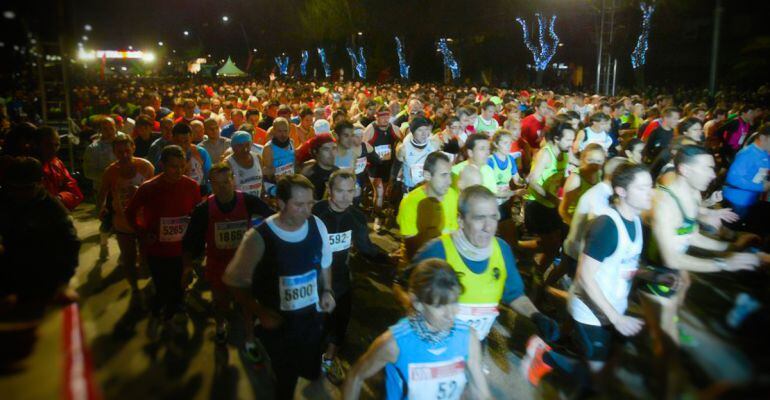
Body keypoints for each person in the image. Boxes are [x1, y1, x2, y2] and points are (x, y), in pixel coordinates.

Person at [224, 174, 335, 399]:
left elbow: (325, 262)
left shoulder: (317, 225)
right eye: (299, 205)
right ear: (281, 203)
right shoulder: (258, 238)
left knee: (312, 365)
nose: (307, 210)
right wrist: (260, 312)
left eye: (310, 203)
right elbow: (233, 282)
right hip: (280, 326)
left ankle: (311, 373)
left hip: (312, 319)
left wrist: (327, 290)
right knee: (286, 377)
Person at [406, 186, 559, 343]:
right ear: (461, 220)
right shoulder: (437, 251)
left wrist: (536, 315)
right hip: (432, 346)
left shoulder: (502, 250)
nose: (488, 227)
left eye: (493, 217)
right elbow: (403, 287)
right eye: (479, 218)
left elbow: (514, 295)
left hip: (475, 347)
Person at [642, 145, 760, 347]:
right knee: (664, 339)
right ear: (685, 170)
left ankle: (672, 329)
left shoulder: (694, 194)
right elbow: (671, 258)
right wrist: (723, 263)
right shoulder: (665, 204)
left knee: (680, 295)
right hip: (655, 270)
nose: (713, 174)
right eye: (707, 168)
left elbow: (692, 235)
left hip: (677, 267)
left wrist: (728, 248)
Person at [344, 258, 491, 400]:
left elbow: (481, 391)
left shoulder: (468, 337)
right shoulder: (394, 344)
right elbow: (355, 376)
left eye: (454, 302)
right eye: (440, 306)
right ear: (418, 303)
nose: (451, 314)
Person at [567, 163, 652, 372]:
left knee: (605, 370)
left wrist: (652, 276)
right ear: (621, 191)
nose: (650, 193)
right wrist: (616, 318)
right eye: (642, 188)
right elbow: (585, 277)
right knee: (596, 375)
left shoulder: (636, 219)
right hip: (591, 312)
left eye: (650, 186)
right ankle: (545, 358)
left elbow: (621, 263)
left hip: (615, 307)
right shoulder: (607, 226)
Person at [182, 162, 273, 344]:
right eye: (216, 183)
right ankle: (221, 325)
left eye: (226, 182)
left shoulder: (247, 201)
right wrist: (187, 267)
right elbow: (189, 241)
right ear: (211, 184)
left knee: (247, 303)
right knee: (220, 302)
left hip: (244, 263)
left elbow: (272, 217)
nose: (222, 187)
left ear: (233, 180)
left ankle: (249, 337)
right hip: (218, 264)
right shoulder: (203, 209)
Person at [312, 170, 386, 384]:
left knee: (339, 322)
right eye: (340, 191)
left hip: (341, 279)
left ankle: (329, 359)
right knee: (316, 324)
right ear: (330, 190)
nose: (345, 196)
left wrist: (387, 258)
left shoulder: (356, 216)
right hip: (313, 280)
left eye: (350, 191)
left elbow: (366, 247)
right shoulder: (315, 213)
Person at [124, 145, 201, 325]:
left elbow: (198, 214)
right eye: (173, 166)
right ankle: (161, 306)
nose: (179, 170)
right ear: (162, 165)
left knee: (180, 282)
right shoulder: (148, 187)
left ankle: (175, 307)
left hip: (182, 249)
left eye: (182, 166)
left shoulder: (191, 186)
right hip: (158, 250)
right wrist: (142, 233)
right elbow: (130, 212)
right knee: (161, 283)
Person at [0, 157, 81, 318]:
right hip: (10, 272)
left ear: (40, 183)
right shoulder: (5, 200)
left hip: (47, 273)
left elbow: (70, 244)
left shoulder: (53, 208)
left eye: (27, 188)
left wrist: (63, 283)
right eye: (15, 188)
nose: (21, 194)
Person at [97, 133, 154, 294]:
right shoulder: (111, 172)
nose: (124, 155)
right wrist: (100, 208)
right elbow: (102, 194)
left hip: (145, 221)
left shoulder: (146, 166)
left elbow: (157, 191)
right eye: (119, 152)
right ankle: (135, 290)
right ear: (114, 152)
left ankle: (150, 288)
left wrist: (139, 192)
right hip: (123, 222)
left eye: (127, 151)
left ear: (133, 148)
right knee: (128, 259)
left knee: (147, 258)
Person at [524, 121, 575, 281]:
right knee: (552, 246)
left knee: (555, 242)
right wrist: (552, 197)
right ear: (557, 139)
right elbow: (532, 180)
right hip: (536, 204)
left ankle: (526, 257)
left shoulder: (565, 153)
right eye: (568, 140)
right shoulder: (546, 154)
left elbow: (561, 177)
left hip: (551, 204)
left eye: (572, 140)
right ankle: (536, 273)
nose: (571, 144)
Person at [397, 151, 459, 239]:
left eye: (449, 175)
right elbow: (413, 246)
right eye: (443, 175)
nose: (449, 181)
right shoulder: (409, 203)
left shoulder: (453, 195)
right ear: (427, 175)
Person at [363, 106, 402, 229]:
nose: (385, 119)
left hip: (388, 166)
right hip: (374, 166)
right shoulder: (370, 129)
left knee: (385, 192)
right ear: (377, 117)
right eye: (382, 117)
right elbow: (362, 146)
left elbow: (405, 142)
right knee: (379, 191)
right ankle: (377, 217)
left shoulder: (394, 129)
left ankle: (383, 212)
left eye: (387, 117)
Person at [722, 124, 770, 225]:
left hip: (749, 198)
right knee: (732, 228)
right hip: (737, 200)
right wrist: (762, 187)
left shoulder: (764, 152)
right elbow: (733, 179)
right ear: (762, 138)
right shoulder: (748, 153)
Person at [32, 126, 83, 211]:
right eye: (48, 145)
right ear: (36, 145)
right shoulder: (28, 167)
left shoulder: (57, 164)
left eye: (57, 145)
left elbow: (75, 193)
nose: (53, 149)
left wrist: (60, 198)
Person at [333, 121, 380, 203]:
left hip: (362, 176)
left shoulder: (366, 146)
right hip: (347, 178)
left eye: (361, 136)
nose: (360, 139)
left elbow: (377, 161)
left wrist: (372, 172)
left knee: (359, 197)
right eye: (357, 136)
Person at [395, 117, 439, 192]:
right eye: (420, 130)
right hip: (410, 187)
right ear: (412, 132)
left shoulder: (434, 144)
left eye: (426, 129)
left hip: (427, 187)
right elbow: (397, 167)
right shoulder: (403, 149)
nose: (424, 134)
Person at [167, 122, 212, 195]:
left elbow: (209, 175)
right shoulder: (166, 155)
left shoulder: (200, 152)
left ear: (191, 137)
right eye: (179, 142)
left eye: (186, 141)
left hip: (199, 192)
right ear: (173, 139)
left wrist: (208, 193)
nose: (183, 145)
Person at [261, 117, 296, 196]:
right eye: (279, 131)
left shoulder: (292, 142)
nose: (283, 134)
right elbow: (267, 174)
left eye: (285, 131)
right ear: (274, 131)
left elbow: (294, 164)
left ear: (289, 130)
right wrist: (277, 177)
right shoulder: (268, 148)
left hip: (290, 181)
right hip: (275, 185)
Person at [301, 133, 339, 200]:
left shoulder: (338, 172)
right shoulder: (308, 177)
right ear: (315, 151)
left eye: (334, 148)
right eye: (326, 149)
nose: (332, 153)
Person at [225, 131, 264, 197]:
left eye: (247, 145)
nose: (245, 149)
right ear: (233, 147)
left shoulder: (258, 158)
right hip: (239, 204)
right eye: (240, 146)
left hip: (257, 203)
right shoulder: (228, 164)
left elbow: (262, 182)